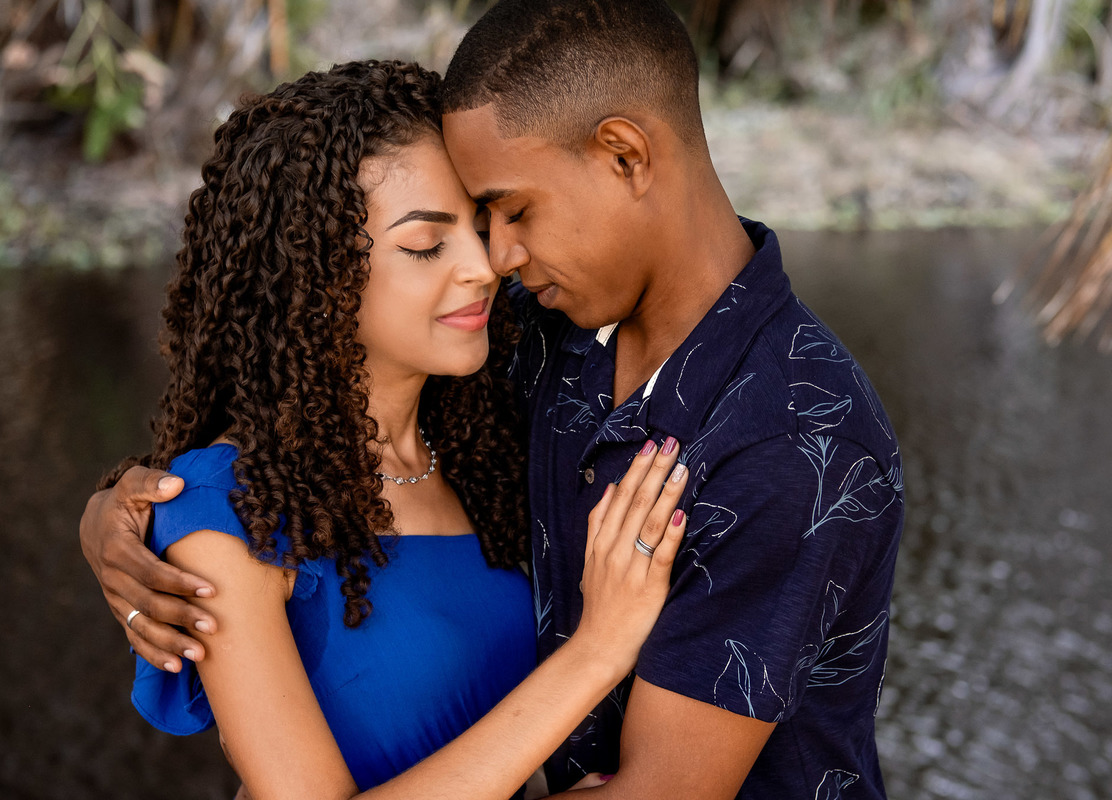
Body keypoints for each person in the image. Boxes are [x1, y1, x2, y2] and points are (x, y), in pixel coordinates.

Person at [83, 1, 905, 797]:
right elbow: (278, 427)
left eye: (508, 213)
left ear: (625, 156)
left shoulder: (794, 444)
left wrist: (597, 650)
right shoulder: (534, 339)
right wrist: (119, 515)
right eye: (454, 232)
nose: (493, 260)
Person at [93, 58, 691, 800]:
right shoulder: (226, 512)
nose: (483, 266)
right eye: (424, 244)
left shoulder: (495, 450)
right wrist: (598, 650)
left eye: (480, 227)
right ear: (313, 277)